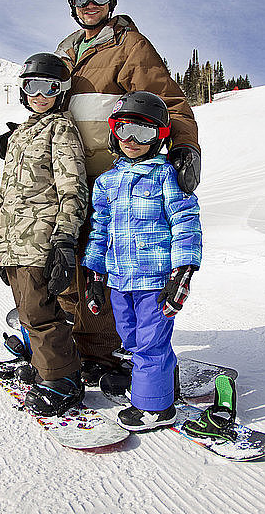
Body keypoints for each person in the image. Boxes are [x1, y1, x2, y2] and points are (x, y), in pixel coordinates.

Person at [53, 0, 202, 385]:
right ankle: (70, 339)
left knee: (101, 264)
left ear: (112, 0)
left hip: (111, 173)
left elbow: (168, 101)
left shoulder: (128, 46)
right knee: (67, 259)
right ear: (71, 6)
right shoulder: (67, 52)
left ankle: (100, 351)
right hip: (67, 175)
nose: (89, 5)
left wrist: (185, 147)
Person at [82, 92, 202, 431]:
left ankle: (156, 408)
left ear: (160, 138)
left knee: (151, 342)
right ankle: (159, 378)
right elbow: (100, 230)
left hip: (154, 278)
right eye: (124, 130)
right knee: (129, 337)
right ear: (113, 132)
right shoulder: (106, 182)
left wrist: (183, 271)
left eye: (144, 133)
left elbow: (185, 222)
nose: (132, 141)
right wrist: (94, 274)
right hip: (119, 280)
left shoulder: (166, 176)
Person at [0, 53, 89, 417]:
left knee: (39, 312)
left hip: (40, 237)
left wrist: (65, 237)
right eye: (30, 86)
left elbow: (72, 186)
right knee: (26, 309)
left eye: (48, 87)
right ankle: (44, 364)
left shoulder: (60, 128)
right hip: (13, 239)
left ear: (61, 90)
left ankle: (63, 380)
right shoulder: (21, 131)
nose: (38, 94)